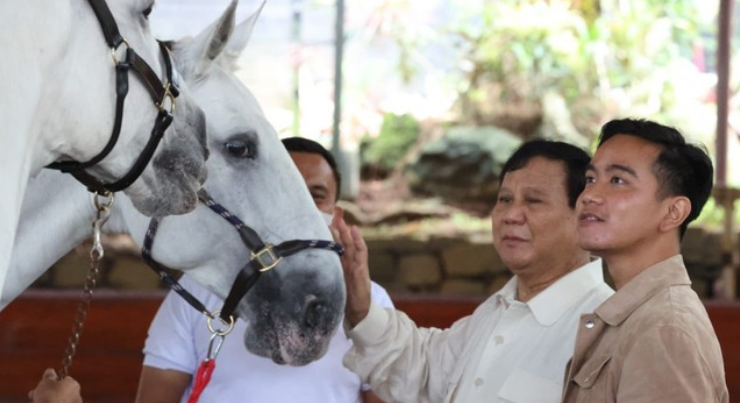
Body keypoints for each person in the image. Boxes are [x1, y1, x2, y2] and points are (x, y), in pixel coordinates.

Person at [335, 139, 615, 403]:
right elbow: (424, 369)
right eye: (505, 199)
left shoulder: (606, 330)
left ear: (584, 217)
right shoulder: (496, 312)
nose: (511, 215)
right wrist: (360, 307)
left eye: (533, 201)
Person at [135, 137, 393, 403]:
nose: (300, 207)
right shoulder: (199, 291)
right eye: (284, 190)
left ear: (337, 216)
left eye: (315, 196)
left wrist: (363, 318)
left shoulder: (371, 303)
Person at [562, 118, 728, 402]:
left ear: (673, 212)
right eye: (590, 179)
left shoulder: (664, 330)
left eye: (618, 180)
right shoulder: (635, 315)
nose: (590, 195)